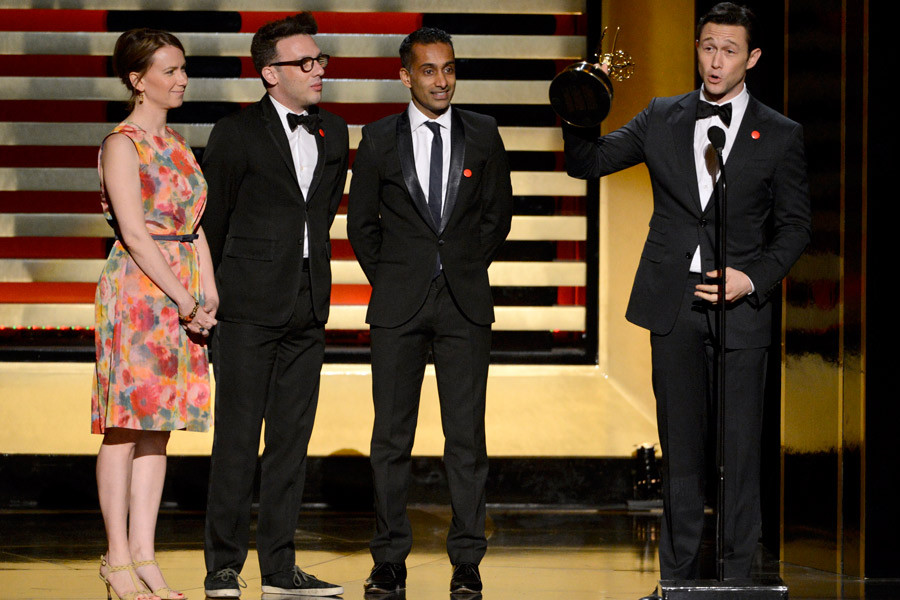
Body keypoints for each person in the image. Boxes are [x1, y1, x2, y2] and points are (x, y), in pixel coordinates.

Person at [563, 3, 811, 595]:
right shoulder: (662, 117)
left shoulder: (780, 134)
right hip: (673, 307)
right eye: (706, 46)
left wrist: (751, 279)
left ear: (751, 58)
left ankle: (735, 578)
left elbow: (796, 228)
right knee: (681, 450)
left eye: (728, 50)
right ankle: (675, 580)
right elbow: (588, 163)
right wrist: (580, 106)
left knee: (740, 452)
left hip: (742, 313)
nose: (715, 60)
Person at [347, 26, 513, 596]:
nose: (441, 80)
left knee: (465, 437)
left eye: (448, 69)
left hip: (465, 306)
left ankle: (467, 558)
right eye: (428, 70)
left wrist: (461, 268)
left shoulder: (485, 134)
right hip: (398, 306)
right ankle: (389, 556)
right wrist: (397, 279)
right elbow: (360, 227)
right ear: (405, 75)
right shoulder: (375, 139)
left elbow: (498, 219)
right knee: (391, 438)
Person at [200, 12, 348, 598]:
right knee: (236, 439)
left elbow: (323, 210)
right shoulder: (236, 133)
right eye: (304, 63)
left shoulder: (333, 131)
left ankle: (280, 568)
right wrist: (208, 302)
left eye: (321, 60)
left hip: (308, 305)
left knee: (291, 441)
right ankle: (224, 565)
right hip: (246, 308)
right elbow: (212, 225)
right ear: (269, 74)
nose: (318, 71)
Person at [93, 28, 217, 600]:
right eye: (168, 70)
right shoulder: (123, 144)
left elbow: (193, 226)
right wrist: (184, 298)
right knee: (125, 424)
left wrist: (207, 289)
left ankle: (144, 554)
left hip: (181, 287)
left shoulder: (178, 145)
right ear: (137, 80)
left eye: (183, 68)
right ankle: (116, 556)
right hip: (141, 294)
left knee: (158, 430)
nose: (181, 79)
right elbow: (138, 236)